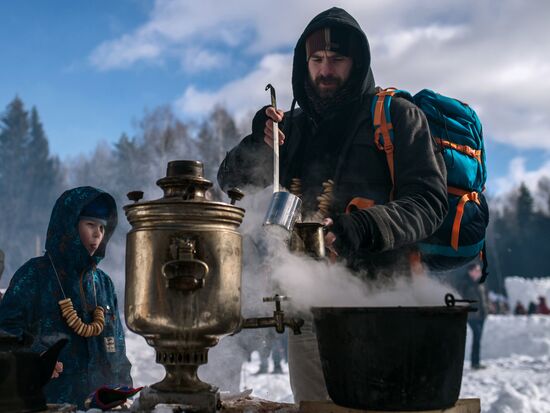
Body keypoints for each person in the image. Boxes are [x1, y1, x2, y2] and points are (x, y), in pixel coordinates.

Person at [217, 7, 447, 402]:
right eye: (317, 60)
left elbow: (429, 202)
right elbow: (230, 180)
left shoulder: (397, 117)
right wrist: (259, 139)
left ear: (357, 63)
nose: (326, 70)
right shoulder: (292, 129)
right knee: (316, 408)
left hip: (382, 307)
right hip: (306, 312)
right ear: (303, 64)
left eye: (337, 59)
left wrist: (361, 226)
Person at [0, 187, 132, 408]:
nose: (98, 234)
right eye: (90, 224)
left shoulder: (104, 284)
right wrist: (36, 360)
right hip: (48, 404)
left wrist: (125, 392)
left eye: (102, 227)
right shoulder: (34, 275)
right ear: (69, 226)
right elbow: (5, 334)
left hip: (101, 407)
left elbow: (117, 350)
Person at [455, 263, 489, 370]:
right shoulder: (464, 283)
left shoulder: (481, 282)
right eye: (477, 270)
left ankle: (476, 362)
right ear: (471, 271)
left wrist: (487, 307)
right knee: (477, 336)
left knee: (478, 339)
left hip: (482, 315)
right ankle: (475, 362)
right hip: (471, 315)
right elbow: (460, 298)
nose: (479, 272)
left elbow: (485, 296)